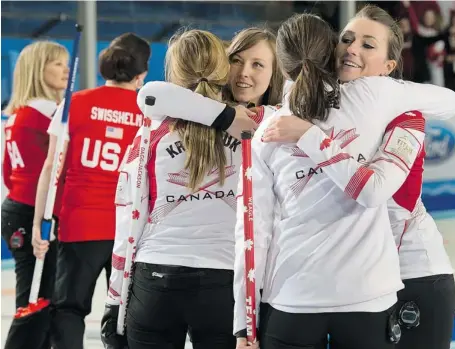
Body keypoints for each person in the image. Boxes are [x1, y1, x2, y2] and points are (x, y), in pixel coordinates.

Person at [265, 6, 455, 349]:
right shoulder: (316, 104)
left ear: (388, 68)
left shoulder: (397, 106)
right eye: (347, 39)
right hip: (357, 284)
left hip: (413, 268)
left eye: (368, 45)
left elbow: (372, 191)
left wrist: (308, 135)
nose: (352, 48)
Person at [102, 28, 274, 349]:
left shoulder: (150, 131)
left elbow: (126, 218)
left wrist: (115, 299)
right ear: (224, 70)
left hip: (154, 277)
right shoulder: (257, 123)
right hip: (222, 282)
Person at [31, 33, 151, 349]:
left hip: (80, 224)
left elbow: (50, 169)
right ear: (141, 74)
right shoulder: (148, 114)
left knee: (69, 309)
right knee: (125, 313)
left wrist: (37, 225)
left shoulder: (76, 104)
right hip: (129, 229)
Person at [1, 40, 69, 349]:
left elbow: (7, 170)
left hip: (15, 208)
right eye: (57, 63)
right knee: (37, 301)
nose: (65, 69)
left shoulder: (16, 113)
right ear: (37, 70)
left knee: (35, 297)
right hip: (33, 212)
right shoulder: (49, 113)